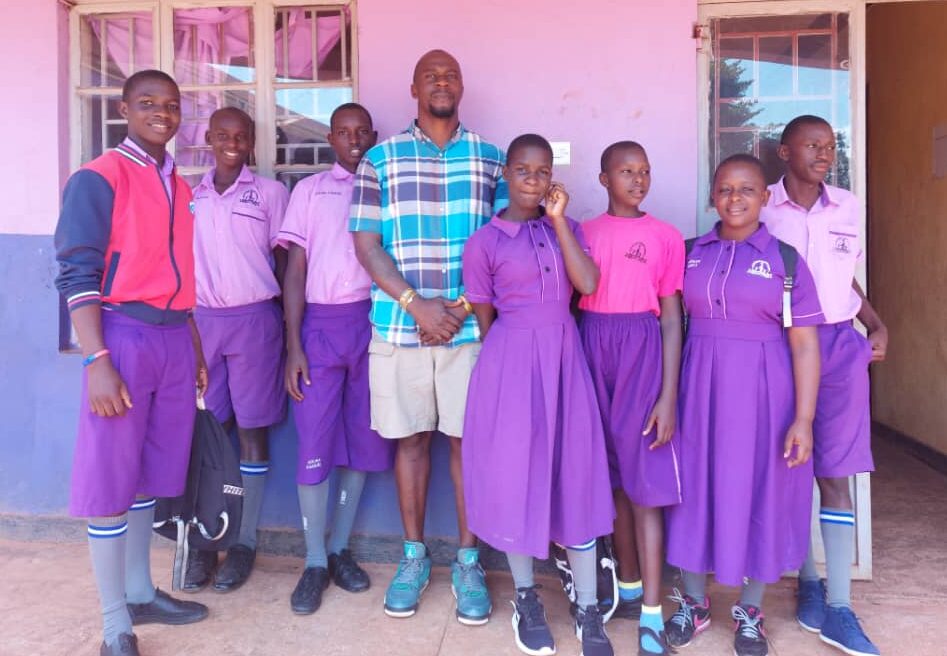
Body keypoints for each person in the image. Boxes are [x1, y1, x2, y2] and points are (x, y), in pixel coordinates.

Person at [54, 69, 209, 656]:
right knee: (111, 476)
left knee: (150, 473)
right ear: (124, 109)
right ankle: (115, 619)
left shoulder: (180, 184)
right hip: (121, 335)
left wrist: (192, 346)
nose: (161, 113)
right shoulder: (100, 177)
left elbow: (182, 276)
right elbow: (76, 272)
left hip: (172, 339)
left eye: (171, 105)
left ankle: (142, 590)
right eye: (147, 103)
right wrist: (97, 358)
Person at [350, 49, 506, 625]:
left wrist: (459, 306)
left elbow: (502, 243)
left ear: (461, 86)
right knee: (410, 441)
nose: (442, 83)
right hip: (399, 325)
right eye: (431, 75)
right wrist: (418, 306)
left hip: (468, 332)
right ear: (413, 86)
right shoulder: (379, 160)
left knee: (470, 444)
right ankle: (413, 557)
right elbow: (366, 245)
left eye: (451, 75)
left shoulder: (491, 158)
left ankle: (468, 562)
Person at [664, 154, 823, 656]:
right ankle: (694, 604)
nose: (735, 198)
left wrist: (803, 417)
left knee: (761, 492)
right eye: (726, 189)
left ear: (766, 197)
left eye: (747, 189)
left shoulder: (786, 259)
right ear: (712, 195)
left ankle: (750, 611)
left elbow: (803, 344)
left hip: (763, 394)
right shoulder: (688, 253)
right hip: (697, 390)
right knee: (694, 490)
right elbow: (666, 325)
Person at [462, 133, 615, 656]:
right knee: (516, 476)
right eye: (523, 170)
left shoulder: (566, 228)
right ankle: (526, 597)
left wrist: (556, 222)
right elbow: (485, 316)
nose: (534, 179)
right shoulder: (485, 240)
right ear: (505, 173)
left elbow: (589, 283)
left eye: (542, 171)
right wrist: (513, 358)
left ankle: (589, 608)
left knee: (576, 473)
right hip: (511, 360)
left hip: (564, 356)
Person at [762, 115, 887, 656]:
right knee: (789, 462)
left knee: (835, 469)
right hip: (777, 344)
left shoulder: (849, 206)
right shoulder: (758, 203)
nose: (823, 153)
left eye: (830, 146)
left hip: (838, 344)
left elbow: (845, 275)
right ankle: (807, 582)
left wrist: (874, 321)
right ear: (784, 150)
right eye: (812, 144)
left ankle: (839, 606)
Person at [279, 102, 395, 615]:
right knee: (315, 442)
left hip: (372, 324)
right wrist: (294, 345)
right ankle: (312, 562)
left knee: (364, 441)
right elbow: (296, 271)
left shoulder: (387, 185)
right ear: (331, 139)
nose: (354, 140)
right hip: (321, 327)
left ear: (373, 136)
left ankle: (339, 548)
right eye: (344, 133)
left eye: (361, 133)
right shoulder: (310, 191)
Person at [578, 141, 683, 656]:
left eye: (644, 171)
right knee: (612, 475)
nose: (637, 180)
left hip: (642, 349)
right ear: (604, 179)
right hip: (591, 345)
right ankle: (629, 585)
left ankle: (652, 614)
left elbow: (670, 317)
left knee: (646, 482)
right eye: (626, 171)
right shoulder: (583, 232)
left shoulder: (664, 237)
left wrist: (667, 394)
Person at [185, 107, 290, 593]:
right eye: (222, 135)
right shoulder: (188, 194)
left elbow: (285, 263)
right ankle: (206, 541)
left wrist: (292, 333)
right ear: (208, 138)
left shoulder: (270, 194)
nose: (231, 142)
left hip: (255, 322)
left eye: (241, 136)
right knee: (208, 434)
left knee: (252, 431)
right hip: (203, 323)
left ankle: (244, 543)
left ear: (251, 142)